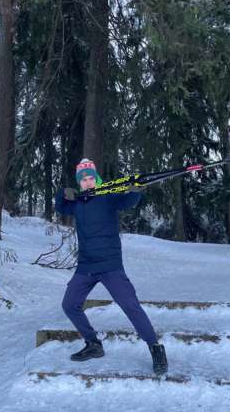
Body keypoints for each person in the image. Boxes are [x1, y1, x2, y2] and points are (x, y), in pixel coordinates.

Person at [55, 158, 168, 375]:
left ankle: (155, 347)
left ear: (96, 179)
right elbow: (61, 206)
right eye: (83, 180)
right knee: (69, 304)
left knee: (130, 305)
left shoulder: (108, 196)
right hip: (86, 265)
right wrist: (63, 193)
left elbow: (128, 202)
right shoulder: (78, 202)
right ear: (80, 183)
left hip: (110, 265)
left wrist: (136, 190)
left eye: (90, 178)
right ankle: (93, 344)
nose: (87, 182)